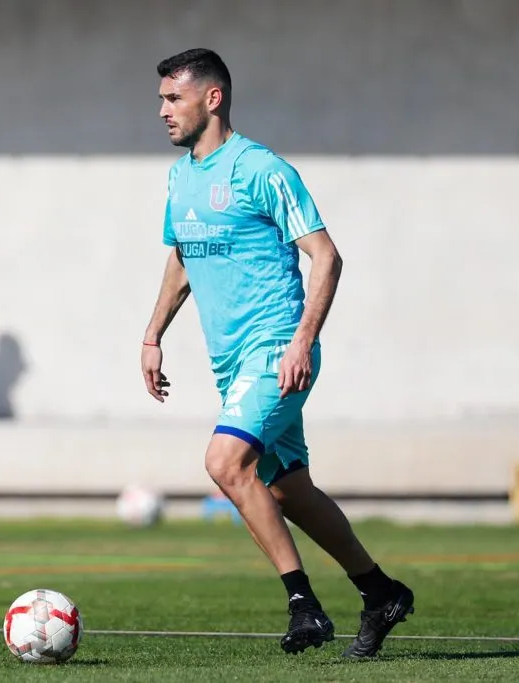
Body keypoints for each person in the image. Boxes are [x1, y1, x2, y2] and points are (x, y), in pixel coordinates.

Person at [141, 48, 414, 659]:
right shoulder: (181, 176)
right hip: (231, 363)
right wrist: (153, 335)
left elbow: (326, 256)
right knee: (288, 489)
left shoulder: (262, 169)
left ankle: (304, 606)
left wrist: (301, 342)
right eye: (161, 98)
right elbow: (182, 258)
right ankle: (381, 592)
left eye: (172, 98)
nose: (162, 111)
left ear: (212, 98)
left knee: (225, 462)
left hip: (277, 352)